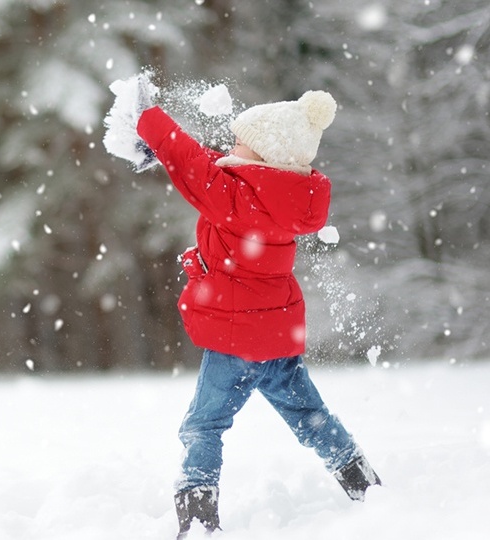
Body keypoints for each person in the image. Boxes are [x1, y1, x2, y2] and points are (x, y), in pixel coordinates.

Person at [114, 77, 381, 538]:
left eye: (241, 143)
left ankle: (198, 521)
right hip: (277, 337)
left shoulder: (236, 198)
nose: (230, 147)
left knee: (204, 426)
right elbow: (213, 167)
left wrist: (148, 119)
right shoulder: (282, 198)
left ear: (262, 158)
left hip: (238, 340)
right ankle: (367, 485)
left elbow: (194, 165)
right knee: (310, 417)